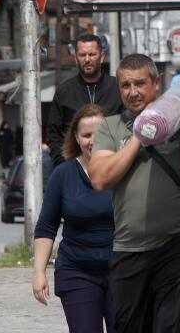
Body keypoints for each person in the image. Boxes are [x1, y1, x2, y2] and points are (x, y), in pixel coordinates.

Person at [89, 54, 180, 333]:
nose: (133, 92)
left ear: (156, 84)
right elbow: (100, 179)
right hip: (129, 250)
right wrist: (139, 134)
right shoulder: (110, 127)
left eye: (139, 83)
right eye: (125, 85)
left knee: (171, 326)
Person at [33, 104, 115, 333]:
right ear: (77, 138)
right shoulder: (63, 174)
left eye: (99, 134)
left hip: (123, 271)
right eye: (86, 135)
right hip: (77, 271)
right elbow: (46, 228)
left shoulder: (123, 170)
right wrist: (39, 272)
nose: (93, 141)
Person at [47, 34, 122, 167]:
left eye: (92, 54)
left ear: (102, 57)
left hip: (113, 168)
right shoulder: (64, 92)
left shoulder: (118, 88)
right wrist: (65, 165)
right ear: (76, 58)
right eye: (82, 55)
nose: (87, 59)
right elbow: (54, 134)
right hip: (74, 169)